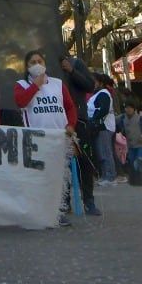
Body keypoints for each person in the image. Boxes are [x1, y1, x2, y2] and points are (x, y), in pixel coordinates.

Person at [16, 50, 77, 227]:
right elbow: (21, 101)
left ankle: (57, 213)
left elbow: (70, 107)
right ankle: (35, 213)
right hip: (35, 139)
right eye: (32, 62)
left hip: (58, 138)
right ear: (27, 67)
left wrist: (71, 124)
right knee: (36, 178)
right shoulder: (21, 84)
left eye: (39, 61)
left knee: (57, 178)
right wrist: (36, 85)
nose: (37, 64)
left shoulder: (58, 84)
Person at [58, 52, 101, 217]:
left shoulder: (75, 63)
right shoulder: (46, 66)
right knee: (63, 163)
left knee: (85, 161)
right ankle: (64, 201)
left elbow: (90, 85)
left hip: (80, 121)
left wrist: (72, 71)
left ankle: (89, 201)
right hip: (58, 122)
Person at [88, 73, 117, 185]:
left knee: (105, 152)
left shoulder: (104, 94)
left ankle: (110, 177)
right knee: (102, 152)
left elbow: (104, 109)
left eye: (94, 81)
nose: (92, 83)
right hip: (99, 127)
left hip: (104, 127)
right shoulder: (96, 94)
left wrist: (94, 118)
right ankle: (105, 175)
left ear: (100, 82)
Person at [120, 100, 142, 170]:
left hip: (141, 145)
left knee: (139, 163)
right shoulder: (123, 118)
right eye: (126, 108)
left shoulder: (140, 118)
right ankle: (136, 178)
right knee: (132, 163)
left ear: (134, 109)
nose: (128, 109)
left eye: (130, 108)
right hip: (130, 146)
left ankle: (140, 178)